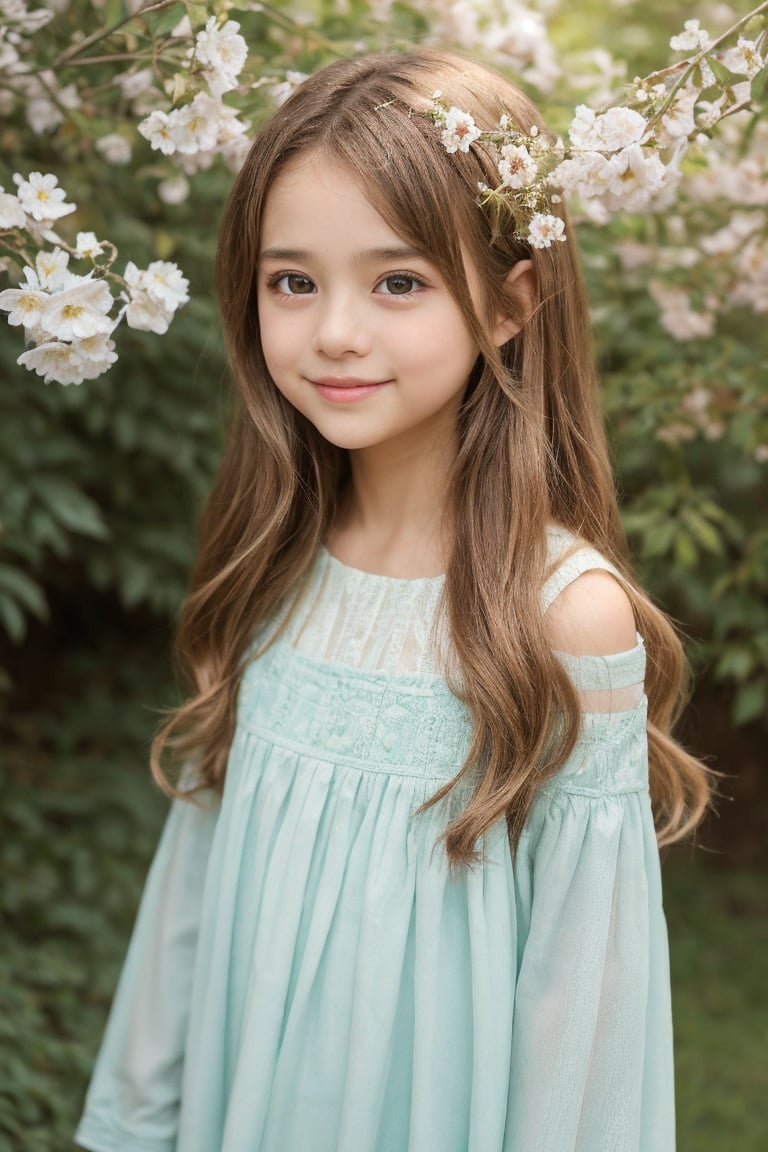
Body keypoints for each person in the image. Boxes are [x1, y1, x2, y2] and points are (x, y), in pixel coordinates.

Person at [75, 48, 711, 1152]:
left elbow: (585, 1021)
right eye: (293, 281)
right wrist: (132, 1125)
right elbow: (193, 895)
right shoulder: (271, 560)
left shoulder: (565, 619)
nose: (334, 333)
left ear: (510, 304)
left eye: (399, 282)